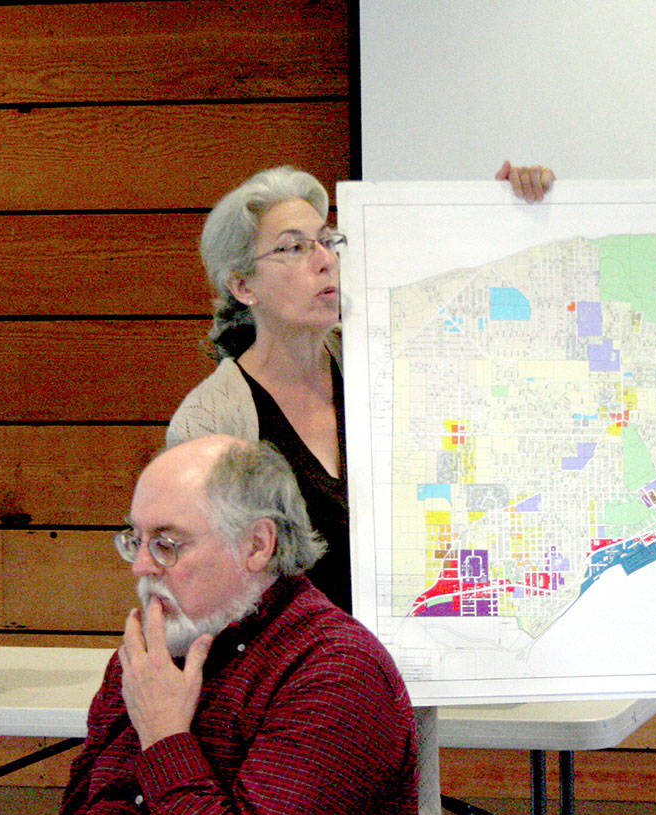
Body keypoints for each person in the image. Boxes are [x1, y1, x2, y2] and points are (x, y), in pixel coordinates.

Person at [8, 435, 418, 815]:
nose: (140, 566)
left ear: (258, 545)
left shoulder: (336, 671)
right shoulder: (152, 652)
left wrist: (165, 737)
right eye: (136, 539)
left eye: (166, 543)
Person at [168, 162, 554, 611]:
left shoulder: (380, 356)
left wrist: (505, 209)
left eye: (327, 242)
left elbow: (483, 325)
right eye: (293, 247)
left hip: (418, 650)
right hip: (306, 671)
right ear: (242, 285)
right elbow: (202, 591)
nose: (325, 260)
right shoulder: (209, 423)